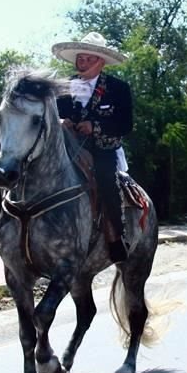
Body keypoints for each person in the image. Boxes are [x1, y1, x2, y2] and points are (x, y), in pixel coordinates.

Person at [53, 32, 133, 263]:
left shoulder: (118, 88)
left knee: (106, 179)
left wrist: (95, 126)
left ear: (101, 62)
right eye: (81, 58)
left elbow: (125, 124)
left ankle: (116, 237)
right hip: (66, 147)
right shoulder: (63, 86)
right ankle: (17, 226)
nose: (83, 62)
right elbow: (52, 114)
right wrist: (60, 121)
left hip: (102, 149)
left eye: (89, 59)